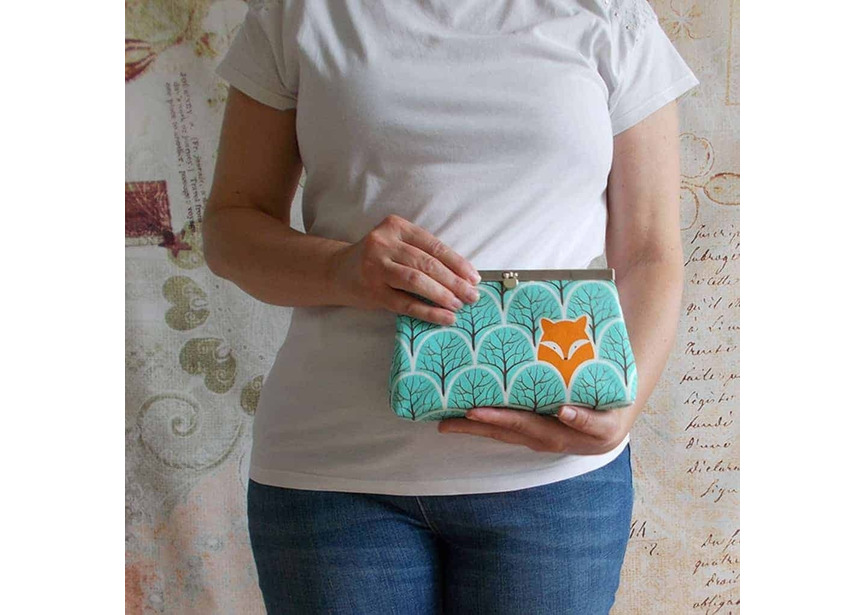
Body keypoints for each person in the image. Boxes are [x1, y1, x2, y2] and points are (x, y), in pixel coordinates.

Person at [204, 0, 698, 612]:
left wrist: (627, 406)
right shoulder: (296, 13)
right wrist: (339, 268)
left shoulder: (612, 17)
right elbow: (230, 228)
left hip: (554, 483)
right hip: (331, 480)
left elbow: (650, 252)